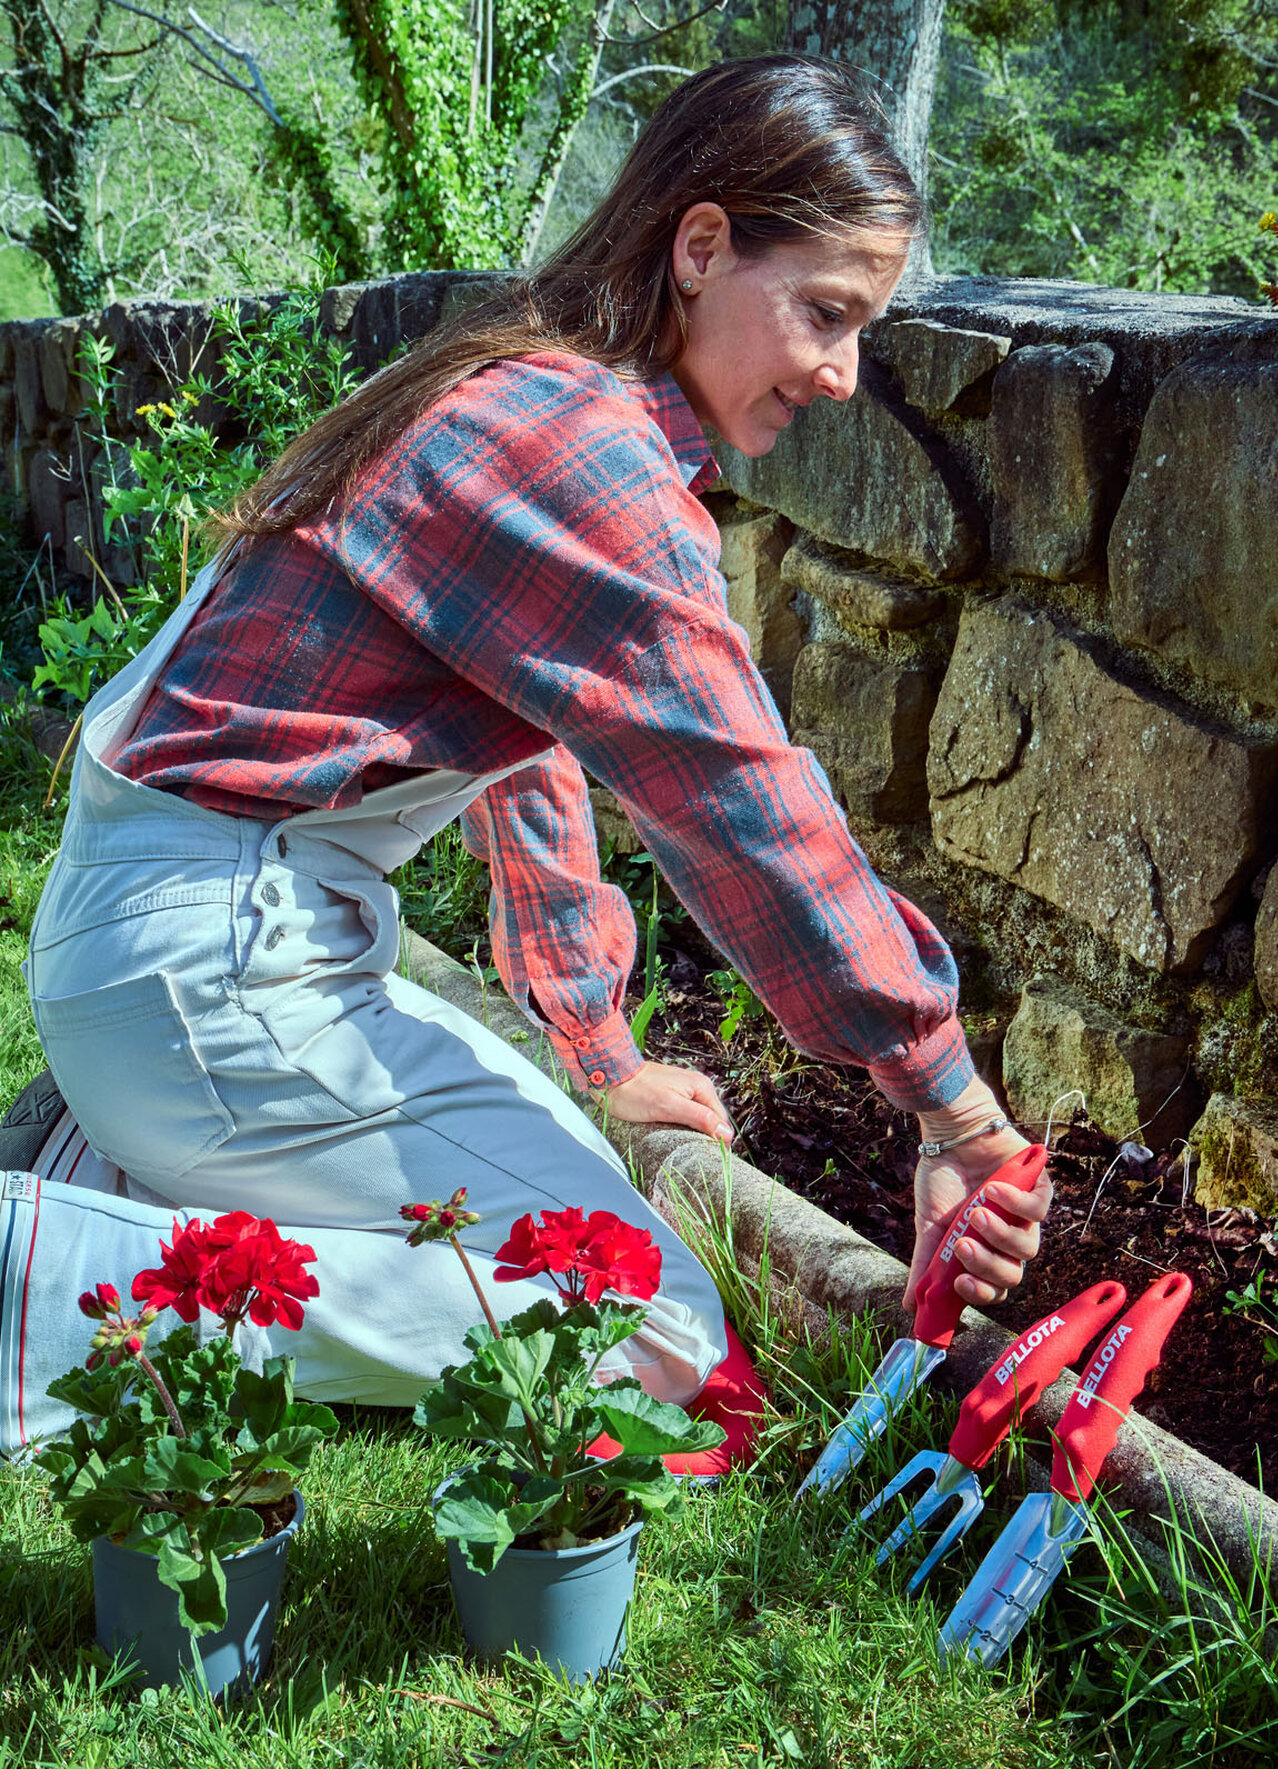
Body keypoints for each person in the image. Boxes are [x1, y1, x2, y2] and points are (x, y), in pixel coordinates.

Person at [2, 53, 1050, 1463]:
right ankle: (47, 1287)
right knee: (654, 1339)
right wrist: (954, 1107)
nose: (841, 374)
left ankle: (105, 1162)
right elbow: (745, 807)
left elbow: (529, 757)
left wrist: (599, 1054)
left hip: (179, 951)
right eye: (824, 311)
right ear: (700, 248)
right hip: (213, 967)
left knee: (583, 1255)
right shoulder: (579, 451)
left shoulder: (526, 387)